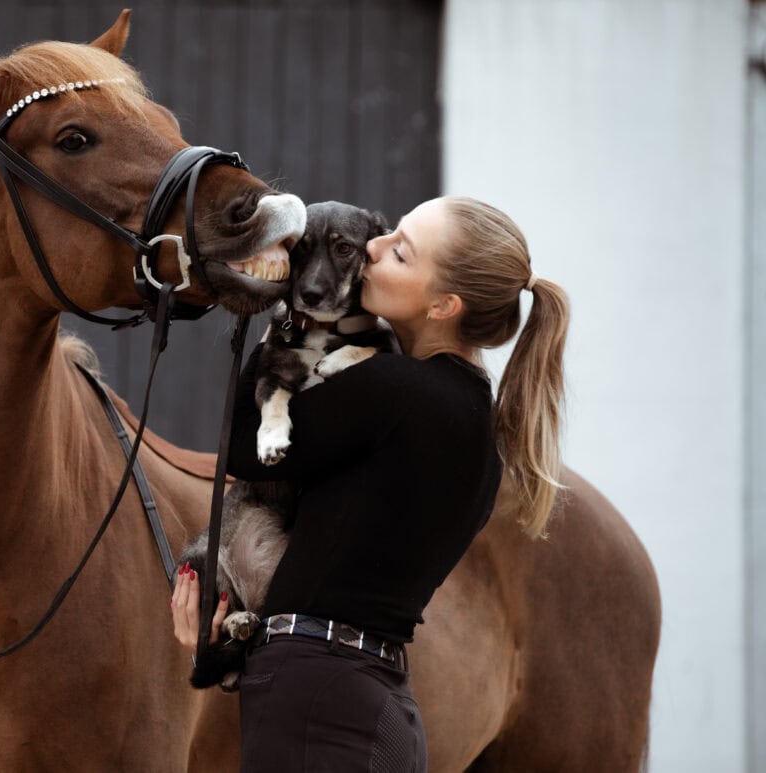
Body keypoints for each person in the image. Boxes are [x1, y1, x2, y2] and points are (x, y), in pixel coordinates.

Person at [169, 195, 570, 772]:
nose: (375, 247)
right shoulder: (480, 424)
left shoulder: (392, 390)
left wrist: (280, 304)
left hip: (316, 702)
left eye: (401, 252)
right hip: (379, 703)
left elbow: (243, 448)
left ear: (444, 305)